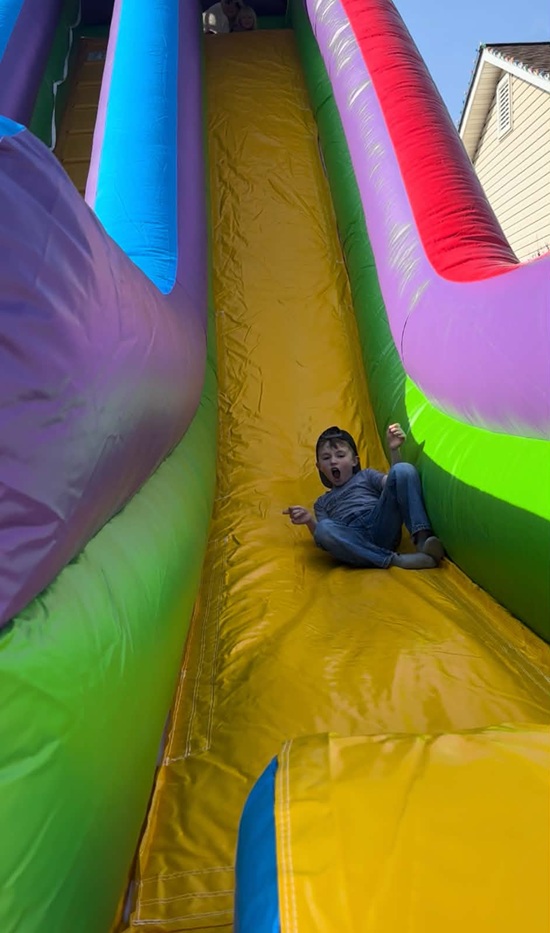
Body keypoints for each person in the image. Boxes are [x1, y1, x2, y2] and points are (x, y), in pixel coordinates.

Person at [283, 424, 444, 570]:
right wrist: (309, 521)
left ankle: (423, 540)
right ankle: (395, 560)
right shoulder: (322, 503)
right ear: (319, 467)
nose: (333, 461)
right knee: (324, 528)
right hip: (353, 539)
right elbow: (324, 540)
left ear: (354, 460)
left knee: (403, 469)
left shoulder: (366, 476)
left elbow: (395, 483)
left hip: (380, 523)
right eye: (326, 458)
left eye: (340, 455)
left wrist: (394, 450)